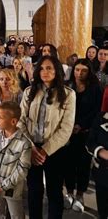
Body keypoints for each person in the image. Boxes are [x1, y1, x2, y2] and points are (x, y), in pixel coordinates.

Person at [18, 55, 76, 219]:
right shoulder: (30, 91)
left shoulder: (68, 94)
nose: (45, 72)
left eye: (49, 68)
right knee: (34, 190)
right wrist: (32, 147)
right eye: (42, 68)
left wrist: (45, 150)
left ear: (57, 70)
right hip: (32, 147)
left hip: (55, 150)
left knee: (54, 191)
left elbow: (66, 128)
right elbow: (21, 121)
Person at [0, 101, 32, 219]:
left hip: (12, 190)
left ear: (13, 121)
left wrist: (2, 187)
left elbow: (22, 170)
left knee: (16, 215)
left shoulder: (24, 143)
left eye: (1, 117)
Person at [63, 59, 102, 212]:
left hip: (85, 133)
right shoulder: (68, 86)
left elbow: (96, 111)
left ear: (89, 72)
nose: (79, 73)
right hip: (68, 132)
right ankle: (70, 193)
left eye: (83, 70)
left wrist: (81, 125)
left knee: (83, 165)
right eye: (77, 70)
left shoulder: (95, 88)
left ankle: (80, 194)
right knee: (68, 164)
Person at [86, 110, 108, 219]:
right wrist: (101, 152)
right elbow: (89, 142)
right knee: (103, 211)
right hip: (102, 175)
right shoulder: (101, 117)